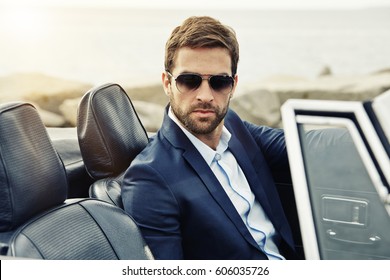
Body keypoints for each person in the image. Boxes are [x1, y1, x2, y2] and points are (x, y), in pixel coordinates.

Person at [121, 16, 300, 260]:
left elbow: (302, 147)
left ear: (233, 85)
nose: (205, 95)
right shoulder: (149, 179)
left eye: (219, 82)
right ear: (167, 83)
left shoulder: (235, 126)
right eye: (189, 81)